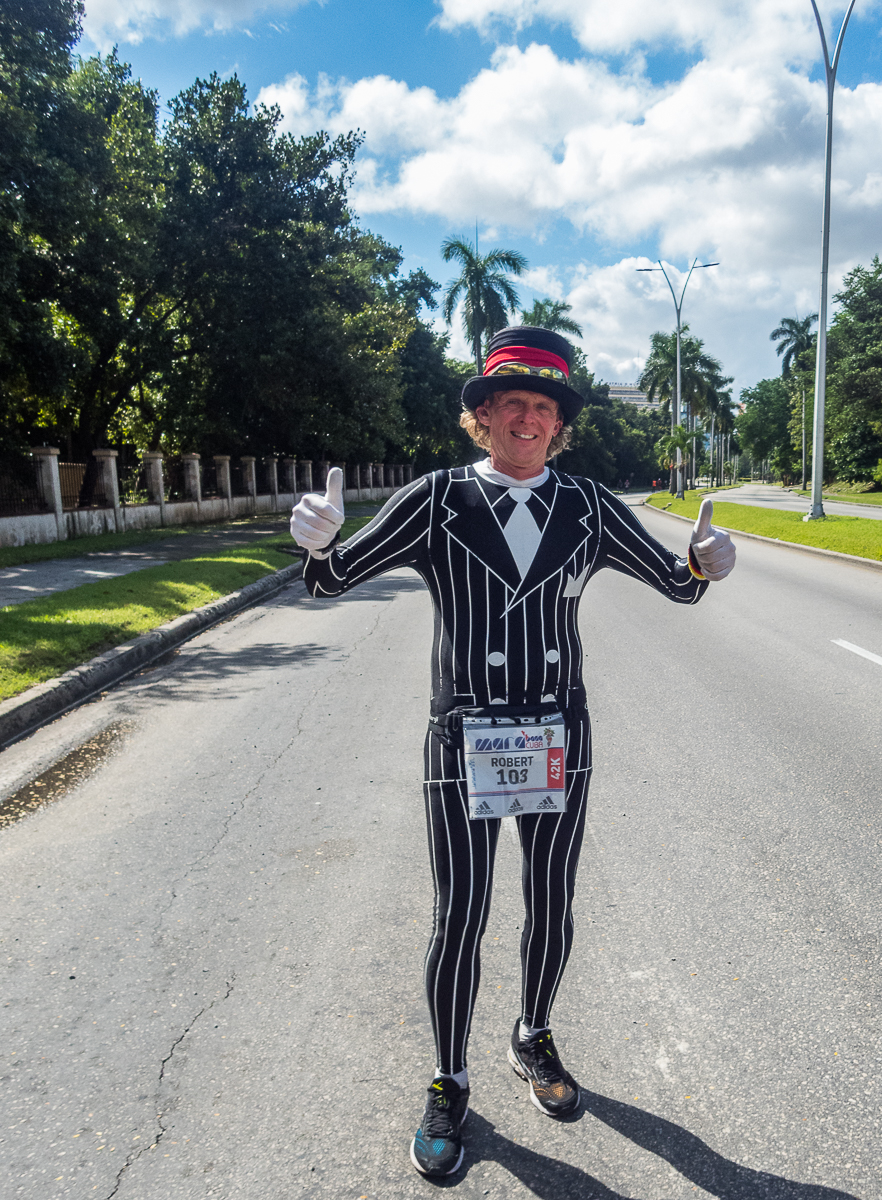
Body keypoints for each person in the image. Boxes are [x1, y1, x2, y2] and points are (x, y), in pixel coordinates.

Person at [290, 326, 735, 1178]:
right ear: (484, 415)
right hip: (464, 735)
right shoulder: (436, 499)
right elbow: (334, 579)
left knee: (551, 900)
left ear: (559, 423)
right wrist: (314, 542)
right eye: (513, 403)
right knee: (459, 913)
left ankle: (532, 1034)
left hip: (558, 735)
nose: (529, 418)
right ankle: (448, 1078)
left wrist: (709, 561)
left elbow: (678, 584)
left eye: (545, 406)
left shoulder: (589, 505)